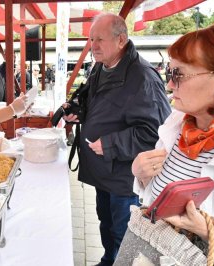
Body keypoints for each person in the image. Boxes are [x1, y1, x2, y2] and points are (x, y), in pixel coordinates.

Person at [64, 13, 171, 266]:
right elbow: (98, 104)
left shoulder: (143, 77)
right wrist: (78, 112)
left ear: (121, 39)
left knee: (123, 233)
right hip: (103, 171)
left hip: (125, 177)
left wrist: (111, 144)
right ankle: (108, 260)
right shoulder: (101, 67)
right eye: (91, 39)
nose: (93, 46)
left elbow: (156, 133)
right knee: (105, 222)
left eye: (99, 39)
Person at [132, 22, 214, 243]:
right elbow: (155, 199)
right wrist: (141, 175)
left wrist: (206, 231)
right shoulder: (177, 122)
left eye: (179, 74)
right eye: (169, 72)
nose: (171, 84)